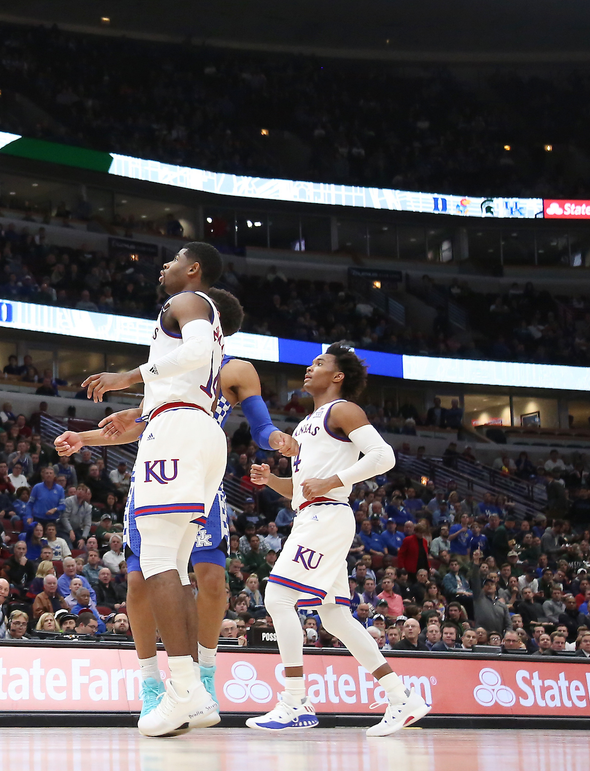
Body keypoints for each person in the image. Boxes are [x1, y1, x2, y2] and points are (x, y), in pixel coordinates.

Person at [57, 288, 293, 710]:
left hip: (200, 474)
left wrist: (275, 438)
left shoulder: (233, 367)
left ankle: (202, 676)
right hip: (160, 462)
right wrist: (83, 438)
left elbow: (260, 423)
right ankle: (152, 684)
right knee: (140, 578)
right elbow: (139, 424)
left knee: (211, 581)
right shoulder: (170, 371)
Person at [75, 243, 227, 737]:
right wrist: (143, 409)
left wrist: (128, 376)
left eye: (174, 259)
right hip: (197, 433)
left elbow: (197, 353)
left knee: (158, 560)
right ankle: (197, 695)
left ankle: (180, 690)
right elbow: (189, 369)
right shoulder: (201, 312)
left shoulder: (186, 302)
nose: (165, 266)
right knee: (176, 567)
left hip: (178, 434)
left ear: (194, 269)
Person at [246, 345, 430, 737]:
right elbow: (301, 488)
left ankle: (295, 699)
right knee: (334, 616)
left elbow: (384, 457)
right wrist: (271, 481)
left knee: (278, 597)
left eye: (319, 363)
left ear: (337, 376)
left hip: (327, 514)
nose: (309, 368)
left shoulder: (342, 410)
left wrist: (333, 481)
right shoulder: (303, 425)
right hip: (313, 514)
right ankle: (402, 697)